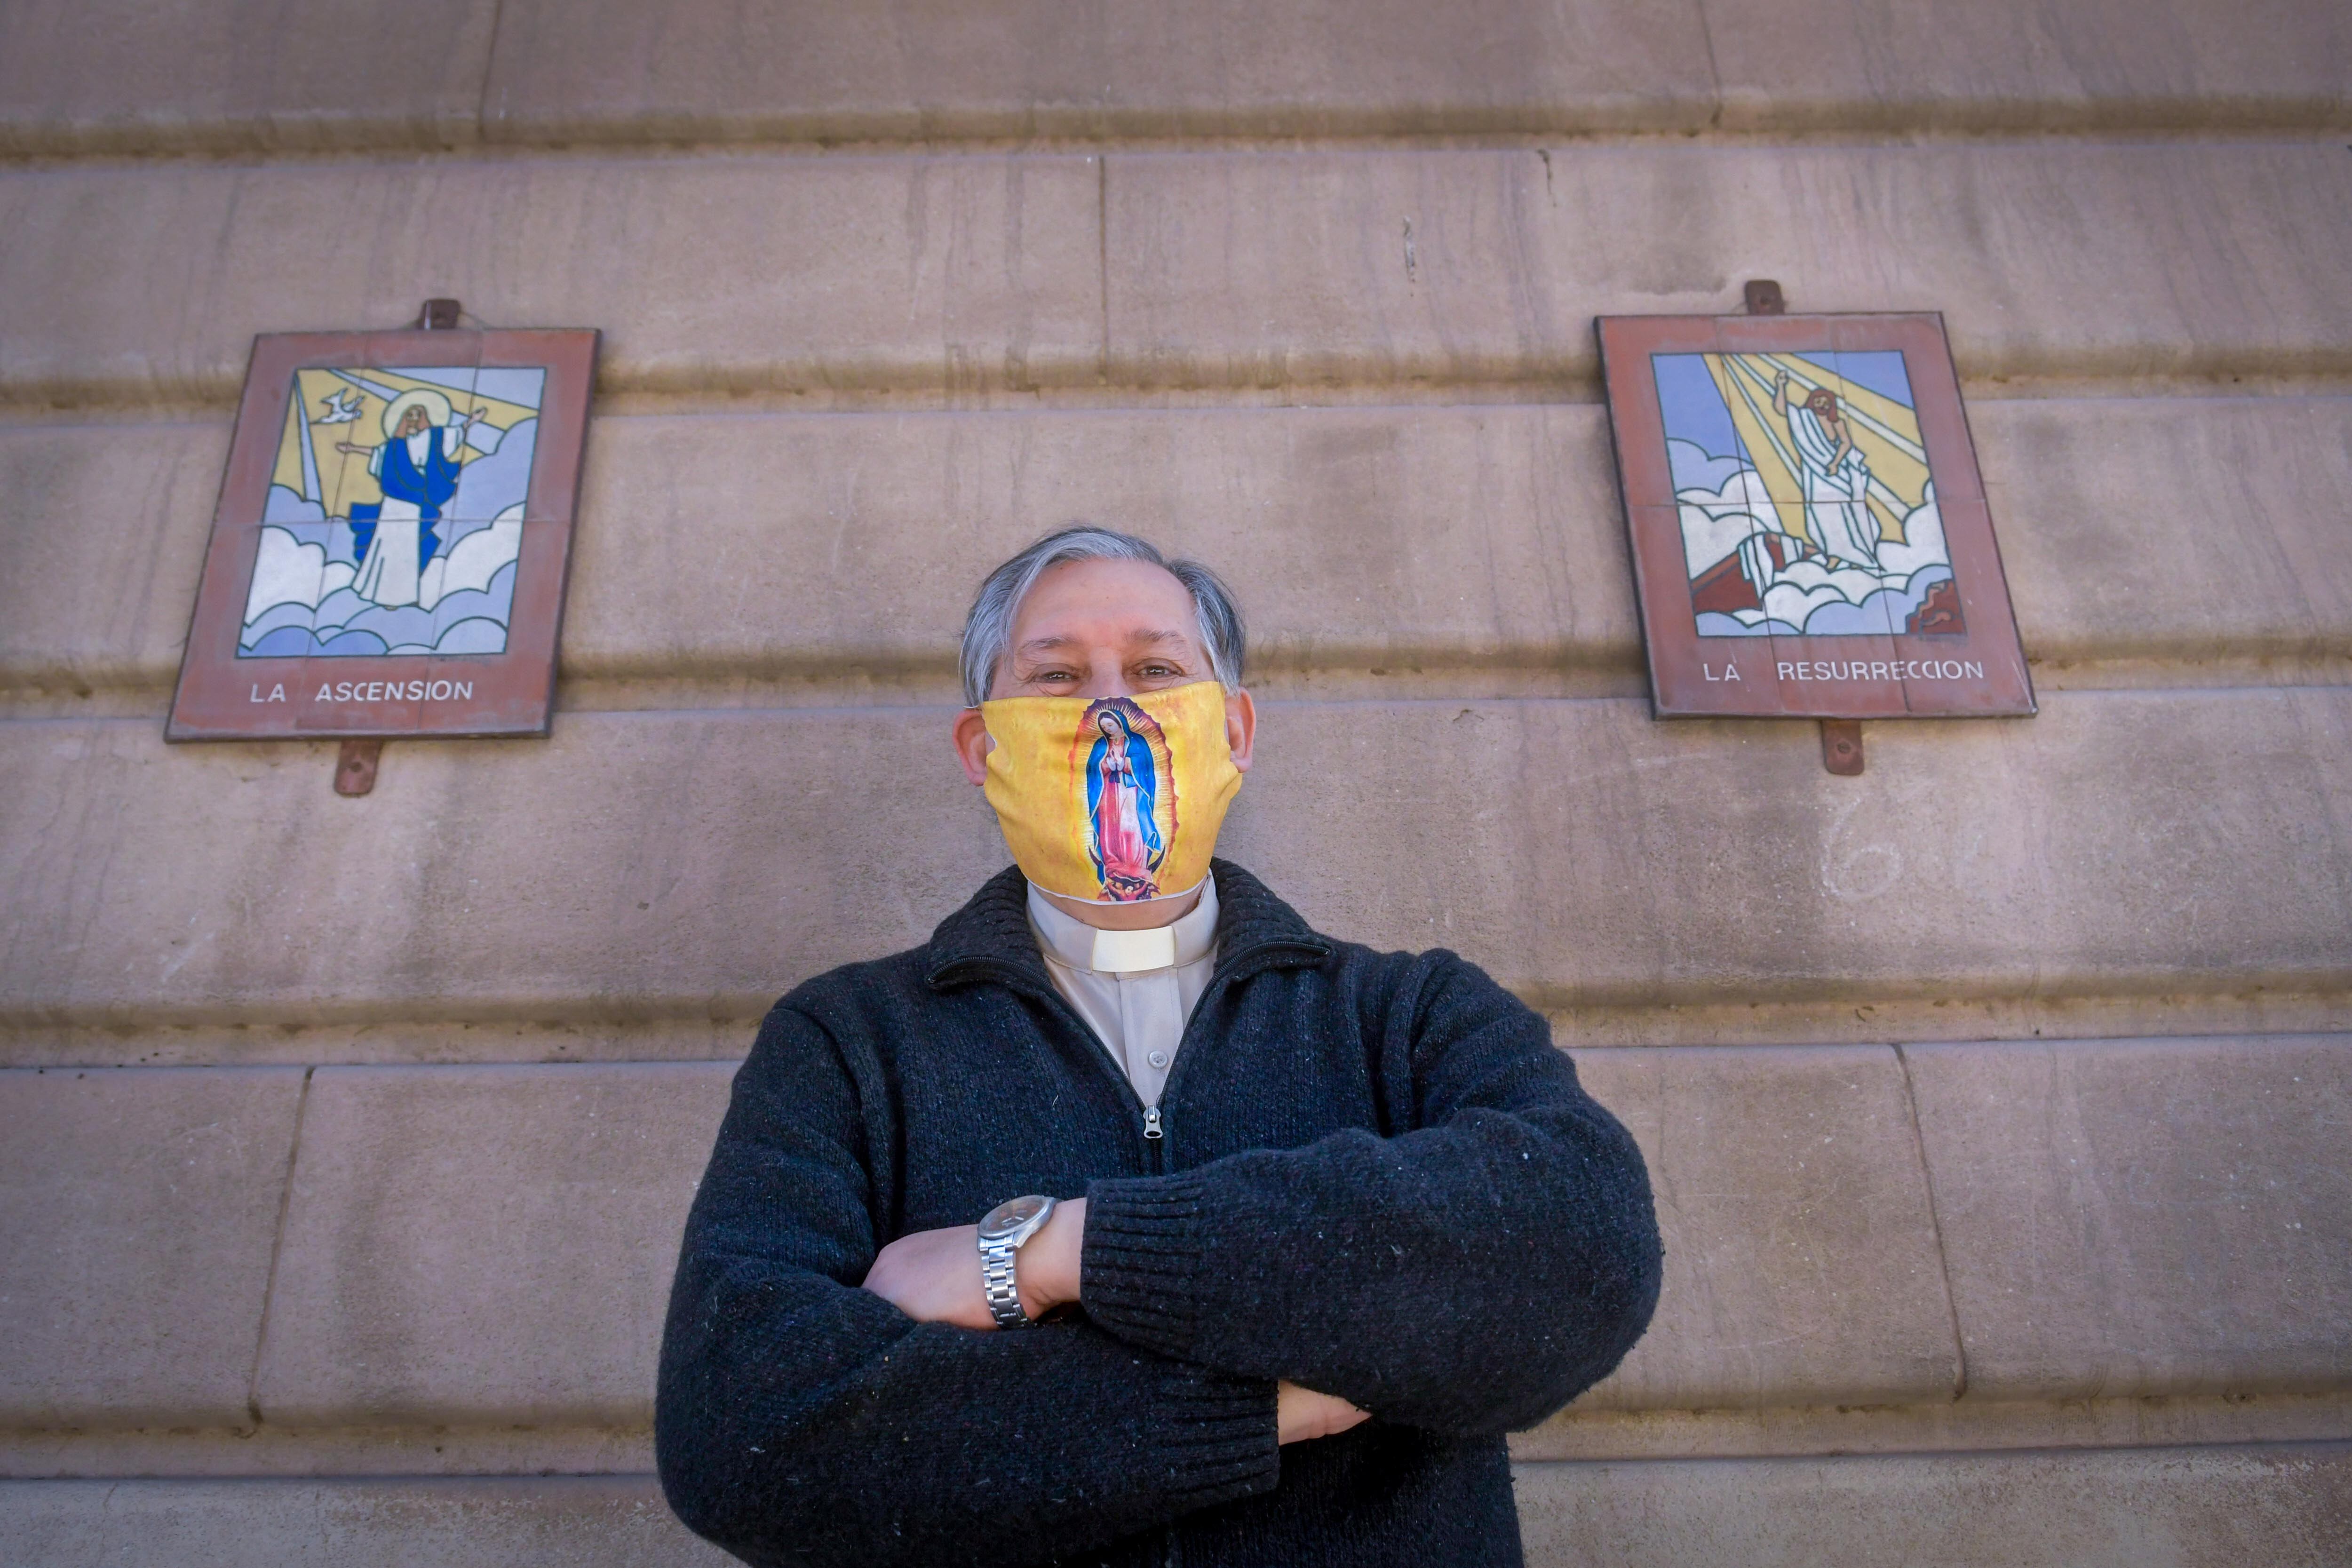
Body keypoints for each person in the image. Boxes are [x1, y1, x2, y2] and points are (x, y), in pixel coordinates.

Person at [656, 526, 1661, 1568]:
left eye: (1154, 669)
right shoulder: (846, 1041)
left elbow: (1583, 1247)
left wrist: (1043, 1253)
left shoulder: (1406, 1014)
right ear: (981, 745)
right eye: (1054, 676)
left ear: (1233, 729)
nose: (1109, 707)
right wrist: (1274, 1405)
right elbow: (746, 1431)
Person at [335, 389, 485, 607]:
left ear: (425, 418)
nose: (413, 420)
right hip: (393, 500)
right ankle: (374, 590)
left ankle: (400, 596)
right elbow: (380, 452)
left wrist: (471, 421)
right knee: (384, 542)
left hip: (414, 497)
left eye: (418, 415)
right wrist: (353, 449)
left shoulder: (434, 437)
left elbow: (455, 434)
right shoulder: (396, 444)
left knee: (406, 547)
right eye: (410, 416)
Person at [1773, 369, 1881, 572]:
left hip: (1836, 475)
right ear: (1812, 402)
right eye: (1818, 401)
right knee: (1820, 513)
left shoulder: (1836, 423)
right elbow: (1782, 409)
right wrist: (1781, 385)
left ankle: (1856, 553)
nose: (1821, 405)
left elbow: (1846, 443)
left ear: (1831, 405)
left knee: (1844, 513)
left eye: (1826, 402)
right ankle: (1834, 554)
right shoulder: (1804, 418)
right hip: (1815, 476)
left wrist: (1835, 464)